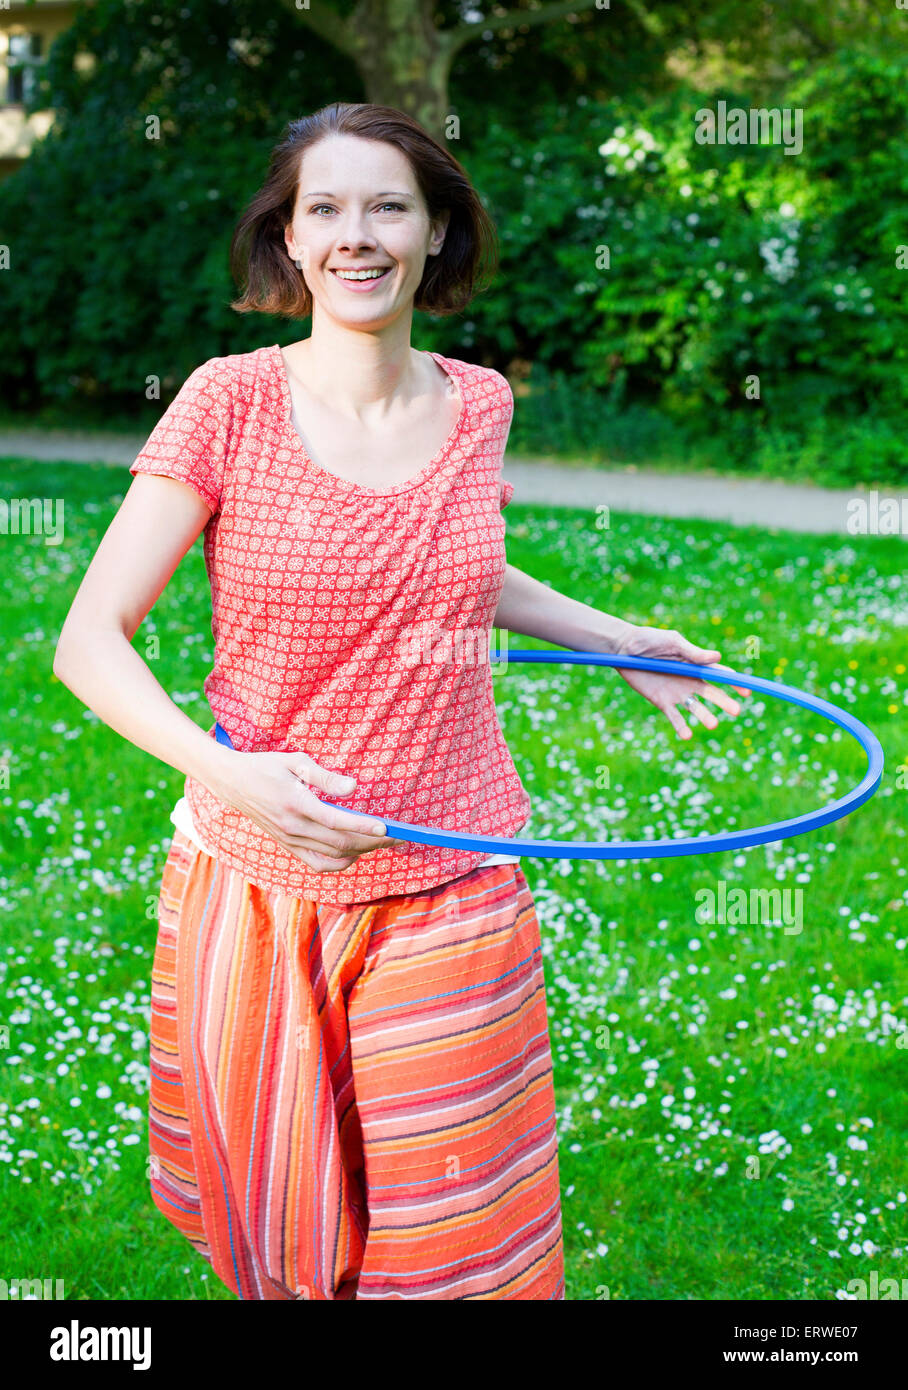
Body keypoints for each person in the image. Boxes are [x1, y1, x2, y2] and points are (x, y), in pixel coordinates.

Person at [52, 101, 749, 1301]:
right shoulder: (227, 402)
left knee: (449, 1250)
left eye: (388, 206)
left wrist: (613, 633)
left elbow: (452, 562)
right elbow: (87, 643)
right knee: (285, 1244)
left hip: (449, 881)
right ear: (288, 237)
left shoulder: (478, 404)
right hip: (259, 881)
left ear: (435, 233)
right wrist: (231, 774)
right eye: (323, 207)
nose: (355, 235)